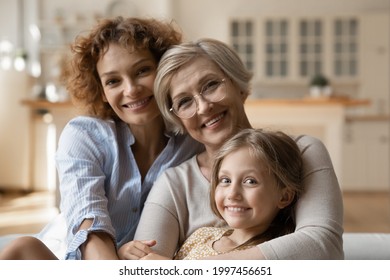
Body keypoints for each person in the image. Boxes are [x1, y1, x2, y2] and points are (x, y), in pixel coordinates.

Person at [120, 38, 344, 260]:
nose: (204, 106)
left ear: (238, 85)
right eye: (185, 102)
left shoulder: (303, 152)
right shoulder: (174, 184)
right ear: (177, 119)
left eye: (210, 85)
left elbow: (322, 245)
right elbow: (146, 265)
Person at [0, 16, 203, 260]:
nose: (131, 90)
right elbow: (91, 228)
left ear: (164, 71)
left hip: (134, 262)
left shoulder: (193, 141)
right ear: (103, 92)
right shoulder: (84, 135)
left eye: (142, 71)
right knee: (21, 249)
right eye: (113, 81)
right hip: (73, 258)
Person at [175, 128, 304, 260]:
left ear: (284, 197)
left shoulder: (278, 255)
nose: (232, 194)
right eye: (226, 180)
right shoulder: (202, 236)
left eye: (250, 181)